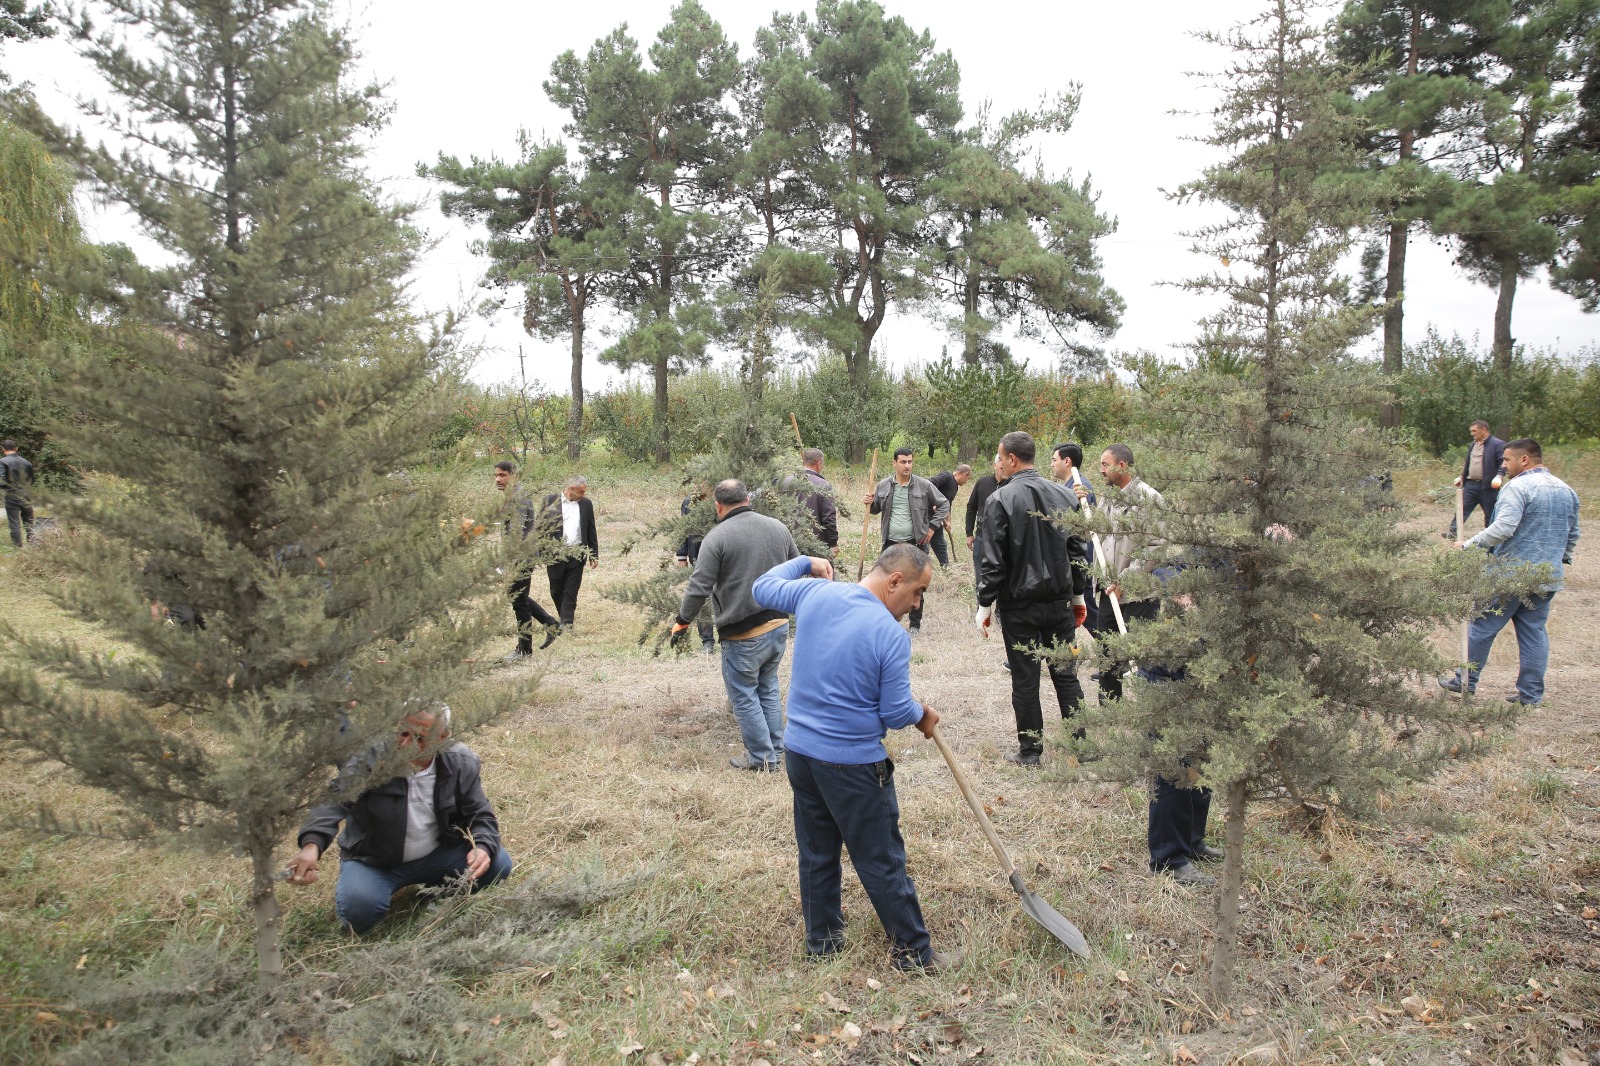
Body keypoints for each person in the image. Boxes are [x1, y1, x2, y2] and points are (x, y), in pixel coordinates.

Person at [752, 543, 959, 971]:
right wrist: (923, 714)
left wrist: (806, 563)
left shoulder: (815, 593)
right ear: (895, 581)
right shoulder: (890, 635)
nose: (916, 603)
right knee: (881, 858)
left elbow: (762, 587)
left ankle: (823, 943)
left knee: (816, 850)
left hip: (801, 752)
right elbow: (895, 711)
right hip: (853, 764)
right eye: (918, 592)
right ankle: (915, 954)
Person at [287, 703, 513, 934]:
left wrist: (483, 847)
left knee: (497, 865)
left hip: (437, 854)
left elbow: (479, 813)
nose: (406, 745)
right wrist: (311, 846)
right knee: (359, 914)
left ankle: (435, 889)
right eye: (402, 733)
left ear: (442, 738)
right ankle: (372, 890)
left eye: (419, 738)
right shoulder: (370, 757)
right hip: (375, 861)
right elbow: (334, 799)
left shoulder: (460, 761)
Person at [975, 431, 1090, 766]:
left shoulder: (1000, 500)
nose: (998, 463)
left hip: (1020, 606)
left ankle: (1030, 752)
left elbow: (992, 563)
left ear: (1012, 459)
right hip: (1058, 604)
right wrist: (1079, 595)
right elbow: (1078, 554)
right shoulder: (1063, 495)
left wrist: (984, 604)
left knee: (1025, 679)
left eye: (999, 456)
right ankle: (1083, 747)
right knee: (1066, 674)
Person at [1440, 438, 1580, 707]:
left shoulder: (1517, 487)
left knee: (1481, 627)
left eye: (1507, 460)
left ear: (1524, 460)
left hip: (1509, 575)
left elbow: (1504, 528)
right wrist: (1558, 559)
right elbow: (1572, 535)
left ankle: (1464, 681)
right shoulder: (1567, 490)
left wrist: (1467, 544)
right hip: (1546, 577)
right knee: (1534, 633)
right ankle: (1530, 696)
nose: (1503, 464)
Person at [672, 480, 800, 771]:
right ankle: (776, 754)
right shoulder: (778, 527)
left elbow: (698, 586)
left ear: (718, 505)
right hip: (778, 624)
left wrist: (682, 622)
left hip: (743, 633)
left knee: (743, 695)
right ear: (746, 498)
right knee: (767, 688)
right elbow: (797, 566)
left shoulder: (716, 538)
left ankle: (762, 759)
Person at [1087, 443, 1165, 705]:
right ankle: (1110, 707)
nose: (1101, 470)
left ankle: (1150, 707)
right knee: (1108, 654)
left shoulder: (1148, 498)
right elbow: (1098, 532)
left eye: (1104, 464)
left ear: (1121, 466)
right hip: (1109, 591)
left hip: (1138, 595)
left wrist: (1126, 580)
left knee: (1141, 655)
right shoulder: (1110, 496)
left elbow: (1156, 546)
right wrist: (1083, 501)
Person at [865, 448, 949, 633]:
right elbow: (875, 509)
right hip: (890, 543)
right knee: (885, 583)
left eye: (910, 462)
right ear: (894, 463)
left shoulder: (923, 485)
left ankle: (914, 625)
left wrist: (933, 527)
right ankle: (886, 622)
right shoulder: (884, 485)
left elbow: (944, 504)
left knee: (915, 585)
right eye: (903, 462)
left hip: (915, 543)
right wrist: (869, 503)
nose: (907, 466)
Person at [495, 460, 558, 660]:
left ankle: (524, 650)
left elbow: (518, 531)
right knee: (516, 597)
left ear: (514, 476)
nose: (498, 479)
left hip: (522, 556)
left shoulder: (519, 497)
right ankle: (550, 624)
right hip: (518, 556)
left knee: (519, 602)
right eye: (496, 475)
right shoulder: (511, 495)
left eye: (503, 475)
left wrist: (509, 560)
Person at [1051, 442, 1099, 633]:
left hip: (1080, 561)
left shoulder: (1081, 486)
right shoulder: (1069, 486)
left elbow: (1079, 528)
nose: (1052, 464)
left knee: (1087, 612)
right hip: (1072, 560)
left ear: (1067, 461)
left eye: (1054, 460)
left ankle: (1112, 652)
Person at [540, 475, 599, 629]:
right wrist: (539, 551)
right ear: (571, 489)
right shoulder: (550, 501)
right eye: (581, 492)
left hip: (576, 552)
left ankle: (567, 622)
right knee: (556, 590)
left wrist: (593, 554)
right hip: (555, 553)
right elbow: (540, 527)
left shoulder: (586, 504)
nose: (584, 495)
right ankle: (563, 615)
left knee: (571, 590)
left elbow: (591, 529)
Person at [1445, 420, 1506, 539]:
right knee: (1461, 509)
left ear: (1483, 430)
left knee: (1490, 513)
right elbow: (1469, 463)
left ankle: (1491, 537)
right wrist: (1462, 477)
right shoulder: (1473, 445)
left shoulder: (1497, 444)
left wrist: (1499, 475)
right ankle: (1453, 533)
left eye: (1474, 431)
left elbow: (1503, 462)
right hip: (1470, 485)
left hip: (1488, 487)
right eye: (1471, 431)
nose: (1472, 433)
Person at [675, 485, 717, 654]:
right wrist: (681, 555)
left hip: (722, 556)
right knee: (702, 598)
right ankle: (707, 641)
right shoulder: (688, 503)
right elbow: (684, 530)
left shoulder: (722, 501)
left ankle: (728, 635)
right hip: (697, 557)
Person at [781, 448, 839, 556]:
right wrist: (833, 543)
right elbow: (829, 518)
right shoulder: (823, 485)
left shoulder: (785, 482)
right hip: (816, 545)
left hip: (789, 542)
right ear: (819, 463)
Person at [923, 464, 970, 568]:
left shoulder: (955, 487)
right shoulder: (947, 476)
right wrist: (935, 500)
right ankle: (920, 570)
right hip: (926, 515)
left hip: (937, 518)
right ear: (965, 474)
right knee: (924, 544)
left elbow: (948, 505)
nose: (966, 482)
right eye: (967, 479)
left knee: (940, 544)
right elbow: (930, 483)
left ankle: (945, 568)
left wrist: (948, 521)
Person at [964, 454, 1006, 561]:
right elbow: (971, 508)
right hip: (981, 537)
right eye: (1000, 461)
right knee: (980, 575)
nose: (1003, 465)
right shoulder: (982, 483)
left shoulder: (1013, 485)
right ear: (995, 465)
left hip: (1004, 540)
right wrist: (969, 533)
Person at [1, 439, 34, 549]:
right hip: (26, 494)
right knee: (29, 521)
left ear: (3, 449)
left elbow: (2, 481)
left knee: (14, 523)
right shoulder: (27, 462)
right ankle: (34, 544)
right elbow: (32, 480)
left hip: (12, 495)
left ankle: (18, 547)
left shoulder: (2, 462)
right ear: (17, 448)